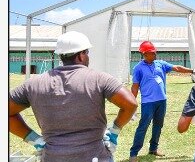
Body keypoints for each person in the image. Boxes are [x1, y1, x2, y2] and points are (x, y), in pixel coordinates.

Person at [9, 31, 138, 162]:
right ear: (81, 55)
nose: (88, 56)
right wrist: (114, 131)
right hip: (95, 157)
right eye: (87, 52)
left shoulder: (33, 84)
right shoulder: (99, 79)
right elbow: (130, 103)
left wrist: (34, 139)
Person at [129, 40, 195, 161]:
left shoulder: (160, 64)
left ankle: (153, 149)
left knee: (158, 125)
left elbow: (177, 68)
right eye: (151, 53)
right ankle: (133, 153)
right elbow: (134, 88)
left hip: (162, 101)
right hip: (148, 103)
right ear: (144, 54)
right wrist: (131, 106)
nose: (155, 54)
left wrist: (193, 71)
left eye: (155, 52)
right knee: (143, 126)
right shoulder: (138, 68)